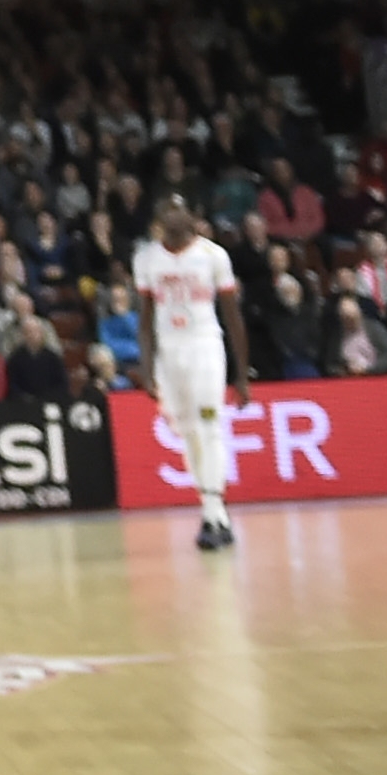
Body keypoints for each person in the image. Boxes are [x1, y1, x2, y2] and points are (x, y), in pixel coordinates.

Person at [134, 194, 251, 549]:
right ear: (157, 219)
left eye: (179, 208)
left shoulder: (214, 255)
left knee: (208, 425)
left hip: (204, 346)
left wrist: (242, 374)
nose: (173, 216)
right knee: (188, 433)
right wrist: (147, 366)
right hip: (169, 352)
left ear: (191, 215)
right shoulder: (146, 259)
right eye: (166, 210)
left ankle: (214, 512)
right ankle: (211, 509)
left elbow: (232, 316)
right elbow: (145, 319)